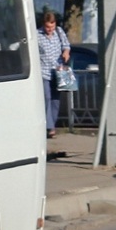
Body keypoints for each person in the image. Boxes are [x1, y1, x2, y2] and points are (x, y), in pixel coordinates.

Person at [37, 10, 70, 138]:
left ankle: (52, 124)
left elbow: (66, 45)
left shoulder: (59, 32)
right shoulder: (37, 34)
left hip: (58, 71)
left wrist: (66, 52)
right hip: (44, 71)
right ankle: (49, 127)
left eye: (51, 27)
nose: (49, 29)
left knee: (56, 100)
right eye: (47, 27)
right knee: (46, 97)